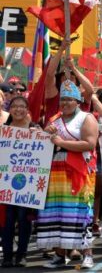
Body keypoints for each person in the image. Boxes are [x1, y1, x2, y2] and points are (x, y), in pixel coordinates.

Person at [39, 81, 99, 269]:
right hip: (56, 170)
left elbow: (89, 144)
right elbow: (47, 143)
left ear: (78, 101)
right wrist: (42, 134)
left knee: (80, 211)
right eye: (62, 99)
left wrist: (60, 141)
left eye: (69, 100)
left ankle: (87, 254)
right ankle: (59, 254)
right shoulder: (54, 120)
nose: (65, 103)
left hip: (79, 169)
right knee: (58, 212)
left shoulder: (86, 118)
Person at [0, 96, 38, 267]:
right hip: (5, 183)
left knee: (24, 219)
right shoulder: (3, 130)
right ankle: (7, 255)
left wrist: (42, 135)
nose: (18, 109)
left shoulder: (35, 129)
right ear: (10, 109)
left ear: (27, 109)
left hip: (27, 184)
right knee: (7, 220)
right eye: (14, 106)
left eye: (22, 106)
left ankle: (22, 253)